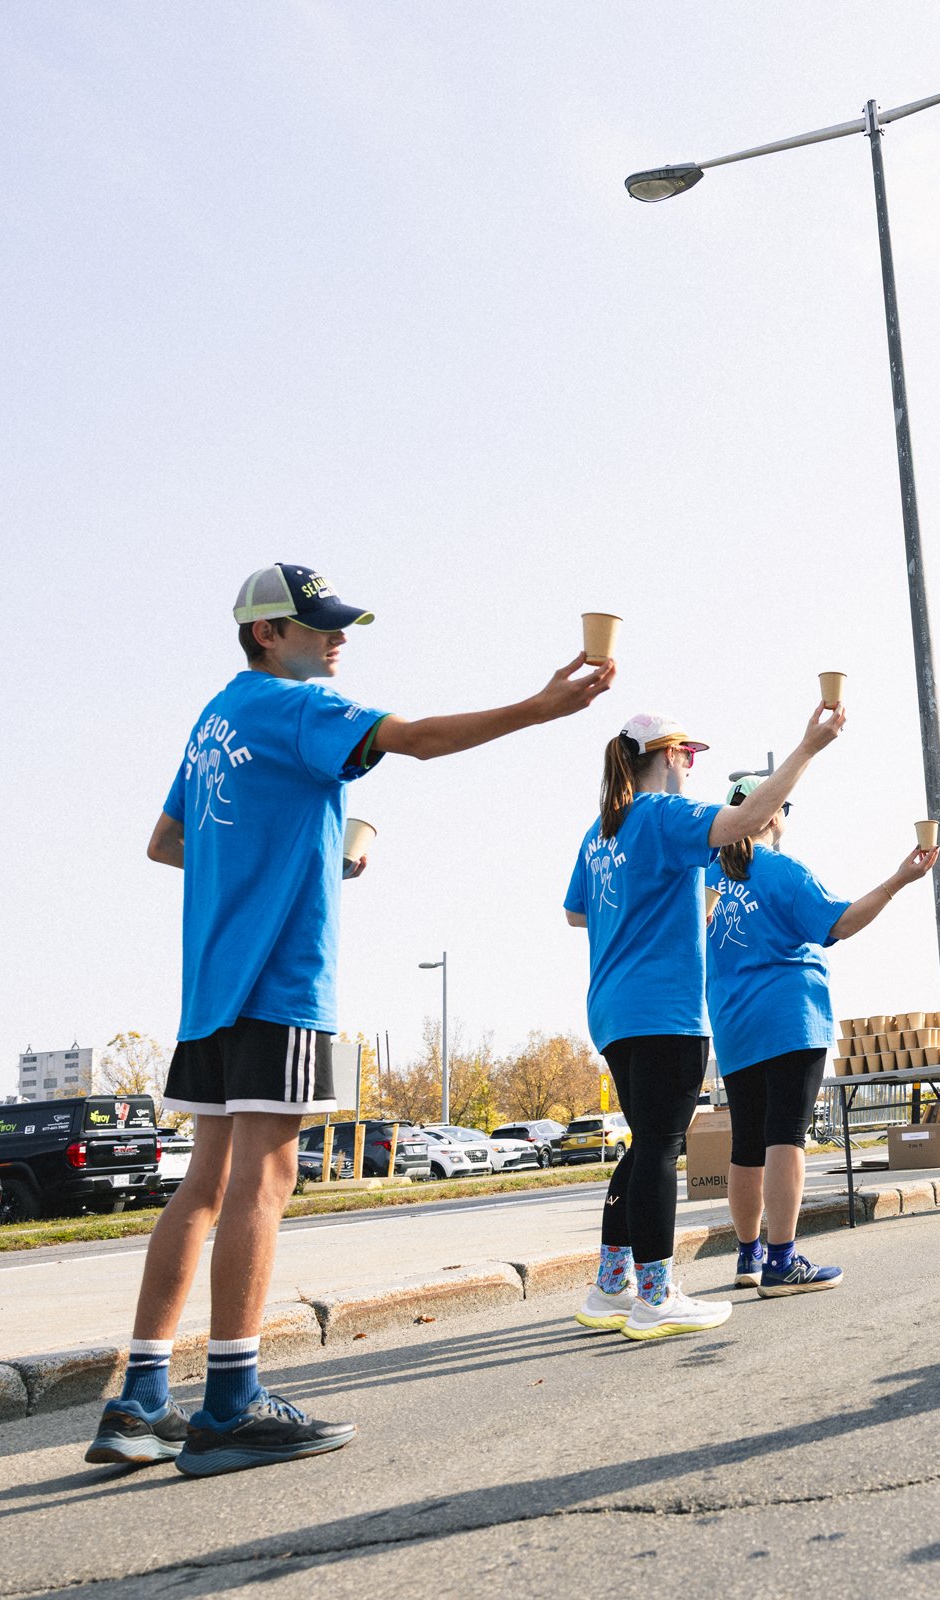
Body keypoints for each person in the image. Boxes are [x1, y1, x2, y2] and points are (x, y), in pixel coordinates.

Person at [90, 566, 614, 1475]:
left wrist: (304, 853)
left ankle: (136, 1402)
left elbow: (168, 842)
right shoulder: (293, 707)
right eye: (317, 625)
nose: (338, 639)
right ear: (265, 633)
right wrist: (539, 708)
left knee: (206, 1185)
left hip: (212, 987)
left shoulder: (216, 718)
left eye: (340, 625)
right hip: (279, 980)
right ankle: (230, 1403)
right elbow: (415, 739)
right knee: (269, 1176)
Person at [567, 707, 836, 1341]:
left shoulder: (599, 832)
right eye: (690, 757)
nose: (692, 769)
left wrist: (668, 901)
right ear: (668, 757)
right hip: (664, 1010)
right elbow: (745, 820)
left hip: (612, 1006)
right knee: (661, 1145)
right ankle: (656, 1296)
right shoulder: (662, 814)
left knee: (644, 1140)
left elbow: (579, 915)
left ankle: (611, 1287)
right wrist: (807, 748)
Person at [708, 775, 936, 1295]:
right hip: (790, 1018)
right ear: (771, 814)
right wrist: (898, 879)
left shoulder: (709, 876)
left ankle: (749, 1256)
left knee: (746, 1143)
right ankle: (783, 1261)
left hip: (732, 1023)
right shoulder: (782, 870)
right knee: (784, 1135)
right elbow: (843, 923)